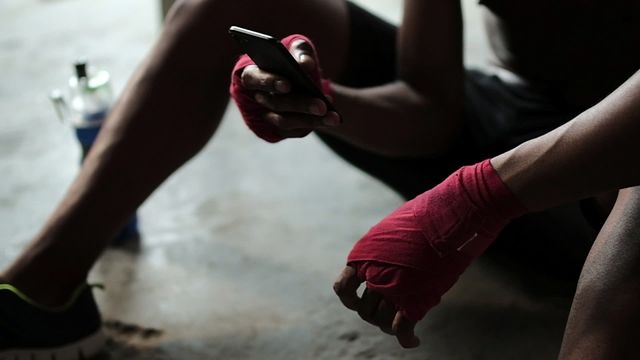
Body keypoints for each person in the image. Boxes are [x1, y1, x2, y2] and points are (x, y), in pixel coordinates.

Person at [0, 0, 638, 358]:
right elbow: (430, 114)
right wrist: (319, 100)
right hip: (525, 121)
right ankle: (42, 295)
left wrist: (473, 198)